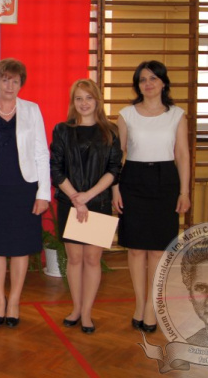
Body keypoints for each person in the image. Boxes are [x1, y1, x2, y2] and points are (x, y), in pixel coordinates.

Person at [112, 60, 191, 333]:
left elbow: (182, 155)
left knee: (158, 250)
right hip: (132, 181)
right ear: (138, 85)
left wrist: (184, 191)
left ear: (163, 83)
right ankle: (139, 303)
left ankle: (150, 307)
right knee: (135, 249)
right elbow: (118, 156)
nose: (148, 84)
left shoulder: (177, 115)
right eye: (143, 79)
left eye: (153, 78)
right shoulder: (126, 115)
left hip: (165, 182)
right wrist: (115, 188)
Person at [0, 59, 49, 329]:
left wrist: (43, 193)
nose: (10, 85)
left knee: (20, 247)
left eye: (15, 80)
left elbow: (41, 153)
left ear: (21, 84)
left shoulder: (32, 110)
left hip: (24, 188)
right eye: (5, 79)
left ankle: (14, 301)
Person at [50, 79, 122, 334]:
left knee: (92, 259)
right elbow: (55, 169)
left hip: (98, 203)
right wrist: (75, 198)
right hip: (69, 202)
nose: (84, 103)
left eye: (88, 98)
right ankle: (76, 309)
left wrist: (87, 196)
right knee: (75, 258)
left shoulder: (110, 131)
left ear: (97, 101)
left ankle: (88, 312)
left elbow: (114, 169)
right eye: (79, 98)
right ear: (73, 102)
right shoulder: (62, 130)